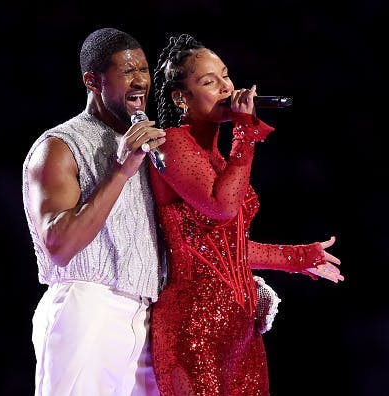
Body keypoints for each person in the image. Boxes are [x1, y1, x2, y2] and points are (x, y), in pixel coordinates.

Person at [147, 33, 344, 395]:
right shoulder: (171, 142)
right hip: (195, 327)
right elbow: (221, 208)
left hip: (240, 330)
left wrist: (297, 257)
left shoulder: (221, 159)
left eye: (225, 75)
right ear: (181, 97)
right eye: (209, 82)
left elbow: (227, 246)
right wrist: (245, 132)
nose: (226, 87)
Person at [21, 27, 167, 396]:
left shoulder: (149, 143)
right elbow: (60, 244)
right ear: (93, 80)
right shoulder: (59, 146)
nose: (141, 81)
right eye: (127, 71)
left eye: (144, 70)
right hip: (88, 307)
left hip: (149, 315)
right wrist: (121, 172)